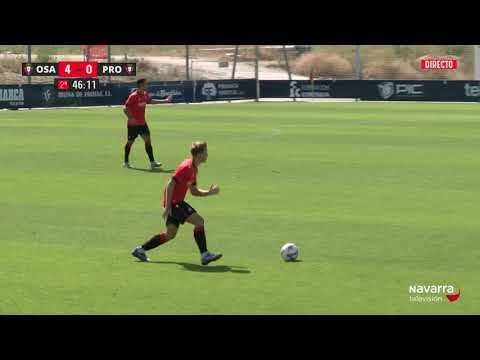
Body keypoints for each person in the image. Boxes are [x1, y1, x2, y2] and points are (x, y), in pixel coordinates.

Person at [131, 141, 222, 265]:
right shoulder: (187, 168)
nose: (207, 155)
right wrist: (168, 206)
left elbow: (194, 191)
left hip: (175, 203)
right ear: (199, 154)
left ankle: (140, 250)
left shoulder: (194, 169)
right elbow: (170, 184)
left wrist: (209, 192)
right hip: (175, 203)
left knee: (170, 234)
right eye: (205, 152)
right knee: (199, 221)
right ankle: (205, 255)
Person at [123, 78, 172, 169]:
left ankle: (152, 162)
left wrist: (165, 101)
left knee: (148, 141)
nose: (147, 86)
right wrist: (131, 118)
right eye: (145, 84)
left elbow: (151, 101)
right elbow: (125, 109)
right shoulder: (133, 96)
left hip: (142, 123)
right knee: (130, 142)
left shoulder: (145, 95)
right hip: (133, 125)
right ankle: (126, 162)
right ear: (141, 85)